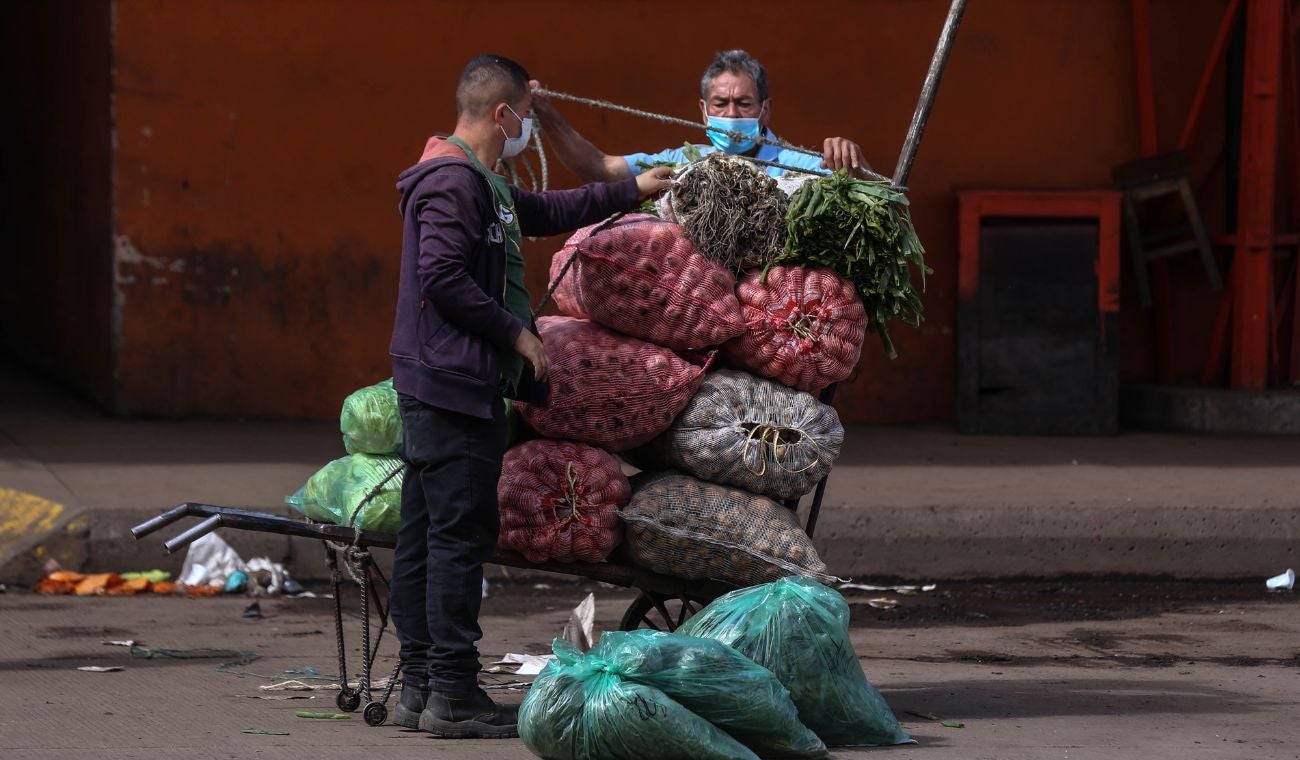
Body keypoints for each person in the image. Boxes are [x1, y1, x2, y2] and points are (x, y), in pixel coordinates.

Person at [387, 54, 672, 739]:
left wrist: (632, 189)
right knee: (454, 539)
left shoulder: (484, 184)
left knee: (428, 537)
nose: (527, 137)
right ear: (503, 116)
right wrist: (517, 335)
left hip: (449, 383)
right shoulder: (452, 182)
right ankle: (450, 691)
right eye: (524, 120)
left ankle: (423, 686)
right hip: (452, 387)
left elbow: (544, 209)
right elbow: (444, 278)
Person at [533, 49, 873, 182]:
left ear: (765, 110)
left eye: (743, 104)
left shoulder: (799, 164)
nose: (731, 113)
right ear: (703, 112)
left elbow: (884, 197)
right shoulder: (683, 162)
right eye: (720, 104)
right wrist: (547, 113)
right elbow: (600, 168)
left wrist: (857, 168)